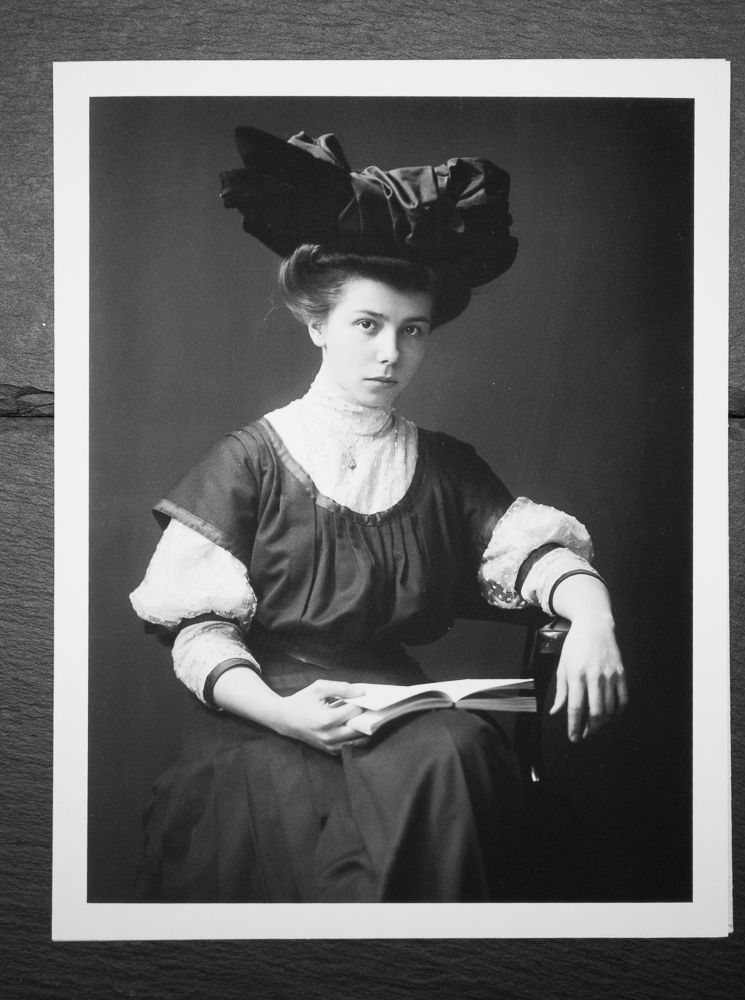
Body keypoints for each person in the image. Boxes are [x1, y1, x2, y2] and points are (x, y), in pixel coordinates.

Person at [129, 127, 627, 903]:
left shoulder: (446, 466)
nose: (391, 352)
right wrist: (285, 715)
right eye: (367, 324)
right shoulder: (250, 460)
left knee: (455, 758)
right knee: (295, 815)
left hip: (400, 713)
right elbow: (199, 635)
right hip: (267, 712)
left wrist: (593, 614)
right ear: (318, 325)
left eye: (411, 330)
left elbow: (538, 557)